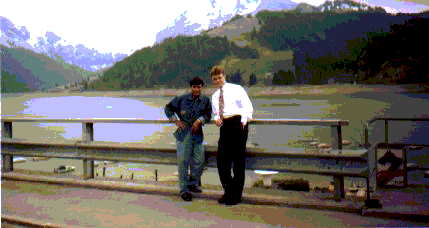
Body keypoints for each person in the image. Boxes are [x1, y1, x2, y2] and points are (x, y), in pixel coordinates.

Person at [210, 66, 254, 205]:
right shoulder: (215, 96)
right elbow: (216, 113)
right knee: (222, 161)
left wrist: (242, 123)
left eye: (220, 77)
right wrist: (216, 119)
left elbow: (247, 107)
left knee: (238, 162)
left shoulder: (237, 89)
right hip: (225, 126)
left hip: (238, 124)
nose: (218, 80)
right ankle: (229, 191)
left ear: (225, 76)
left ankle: (236, 196)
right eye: (215, 79)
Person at [164, 77, 212, 202]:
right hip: (183, 134)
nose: (197, 89)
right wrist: (176, 120)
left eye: (199, 87)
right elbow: (168, 108)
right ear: (191, 88)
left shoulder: (205, 100)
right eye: (194, 87)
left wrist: (200, 120)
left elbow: (208, 114)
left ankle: (193, 184)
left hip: (197, 134)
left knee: (199, 161)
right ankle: (184, 190)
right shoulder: (181, 99)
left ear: (202, 87)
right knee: (183, 162)